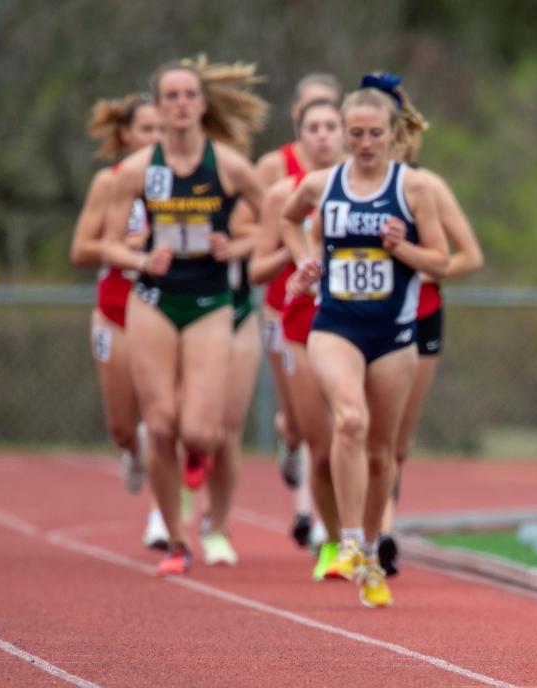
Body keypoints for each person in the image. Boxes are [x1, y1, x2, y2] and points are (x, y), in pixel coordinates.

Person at [282, 86, 448, 608]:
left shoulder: (414, 189)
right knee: (348, 420)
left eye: (376, 133)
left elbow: (442, 261)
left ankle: (372, 549)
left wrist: (405, 247)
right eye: (356, 133)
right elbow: (288, 219)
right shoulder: (321, 185)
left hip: (395, 335)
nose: (365, 142)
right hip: (335, 325)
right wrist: (305, 259)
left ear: (392, 135)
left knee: (382, 455)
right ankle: (349, 538)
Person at [104, 56, 267, 575]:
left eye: (187, 96)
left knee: (201, 432)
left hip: (210, 304)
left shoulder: (228, 166)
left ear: (202, 104)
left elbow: (273, 225)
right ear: (158, 105)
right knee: (162, 423)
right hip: (152, 300)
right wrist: (138, 258)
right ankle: (176, 540)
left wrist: (235, 244)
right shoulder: (137, 171)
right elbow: (108, 242)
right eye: (169, 96)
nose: (178, 105)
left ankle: (196, 466)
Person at [361, 73, 484, 577]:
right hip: (352, 319)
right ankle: (352, 529)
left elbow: (468, 256)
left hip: (418, 317)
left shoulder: (425, 186)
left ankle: (382, 530)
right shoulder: (337, 184)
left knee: (395, 441)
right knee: (350, 428)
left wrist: (420, 262)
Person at [250, 97, 345, 579]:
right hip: (299, 321)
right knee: (320, 444)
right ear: (299, 134)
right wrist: (298, 259)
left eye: (333, 125)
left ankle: (364, 537)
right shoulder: (282, 194)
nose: (324, 135)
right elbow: (257, 266)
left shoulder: (370, 190)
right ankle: (329, 538)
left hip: (356, 321)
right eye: (315, 127)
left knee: (357, 432)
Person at [70, 91, 170, 548]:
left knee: (163, 417)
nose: (156, 138)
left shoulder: (186, 183)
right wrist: (126, 246)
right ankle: (131, 452)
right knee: (124, 426)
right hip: (116, 311)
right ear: (127, 135)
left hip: (166, 308)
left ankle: (162, 514)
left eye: (162, 130)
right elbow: (80, 250)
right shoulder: (110, 183)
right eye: (147, 130)